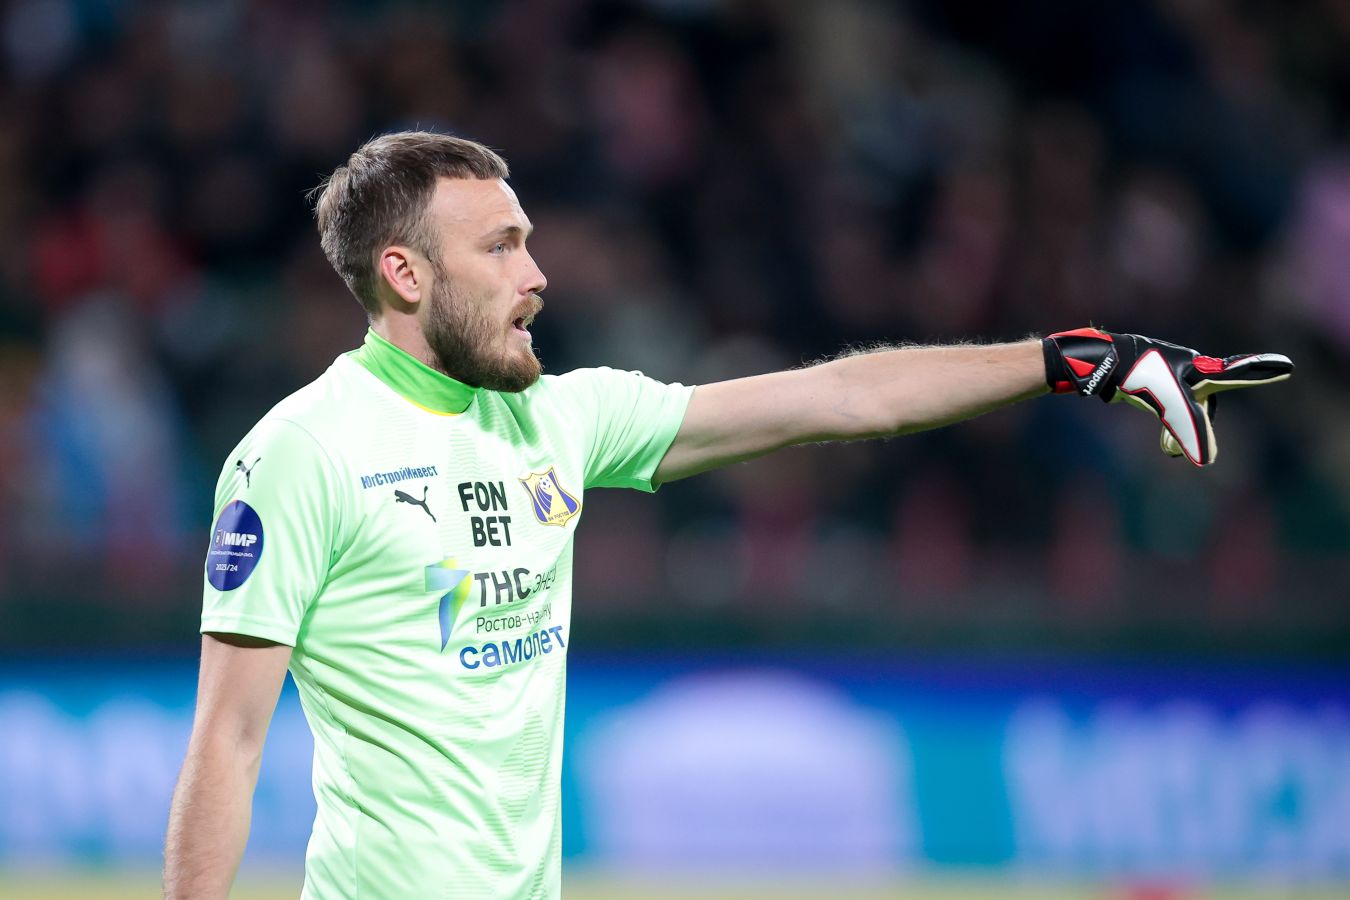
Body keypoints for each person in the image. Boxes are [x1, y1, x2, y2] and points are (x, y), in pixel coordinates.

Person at [161, 131, 1292, 899]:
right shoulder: (301, 456)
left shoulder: (562, 418)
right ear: (406, 275)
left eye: (530, 241)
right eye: (500, 248)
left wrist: (1069, 360)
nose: (537, 274)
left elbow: (841, 399)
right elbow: (229, 738)